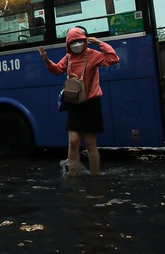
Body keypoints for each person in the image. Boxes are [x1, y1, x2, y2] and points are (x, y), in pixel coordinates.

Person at [38, 28, 119, 176]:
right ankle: (73, 176)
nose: (77, 44)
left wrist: (100, 43)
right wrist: (46, 61)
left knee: (90, 144)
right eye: (73, 42)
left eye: (80, 41)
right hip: (74, 103)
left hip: (91, 104)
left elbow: (113, 59)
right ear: (68, 43)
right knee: (73, 142)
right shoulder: (68, 57)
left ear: (85, 41)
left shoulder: (92, 55)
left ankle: (95, 178)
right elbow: (56, 70)